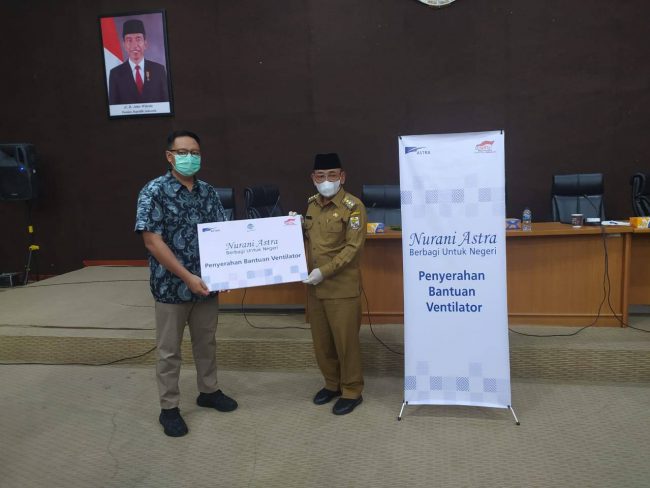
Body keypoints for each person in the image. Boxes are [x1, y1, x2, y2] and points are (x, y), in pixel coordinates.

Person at [134, 130, 237, 437]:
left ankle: (209, 391)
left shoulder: (208, 192)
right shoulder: (153, 191)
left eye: (195, 152)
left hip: (206, 284)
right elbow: (152, 241)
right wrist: (187, 277)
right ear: (170, 156)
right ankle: (169, 408)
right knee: (169, 351)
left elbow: (222, 235)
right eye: (183, 152)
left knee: (206, 342)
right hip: (171, 287)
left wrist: (227, 272)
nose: (190, 157)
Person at [301, 153, 367, 415]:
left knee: (345, 342)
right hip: (315, 289)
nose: (326, 180)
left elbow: (352, 249)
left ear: (342, 176)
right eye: (320, 176)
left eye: (332, 175)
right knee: (322, 342)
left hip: (341, 288)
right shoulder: (312, 205)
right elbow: (310, 239)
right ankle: (332, 384)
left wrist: (324, 271)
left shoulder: (354, 206)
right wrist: (290, 227)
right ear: (313, 178)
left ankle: (351, 390)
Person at [109, 19, 169, 105]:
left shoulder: (159, 70)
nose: (134, 45)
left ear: (145, 44)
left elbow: (166, 104)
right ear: (124, 45)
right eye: (129, 40)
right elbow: (113, 108)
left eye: (138, 39)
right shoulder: (115, 74)